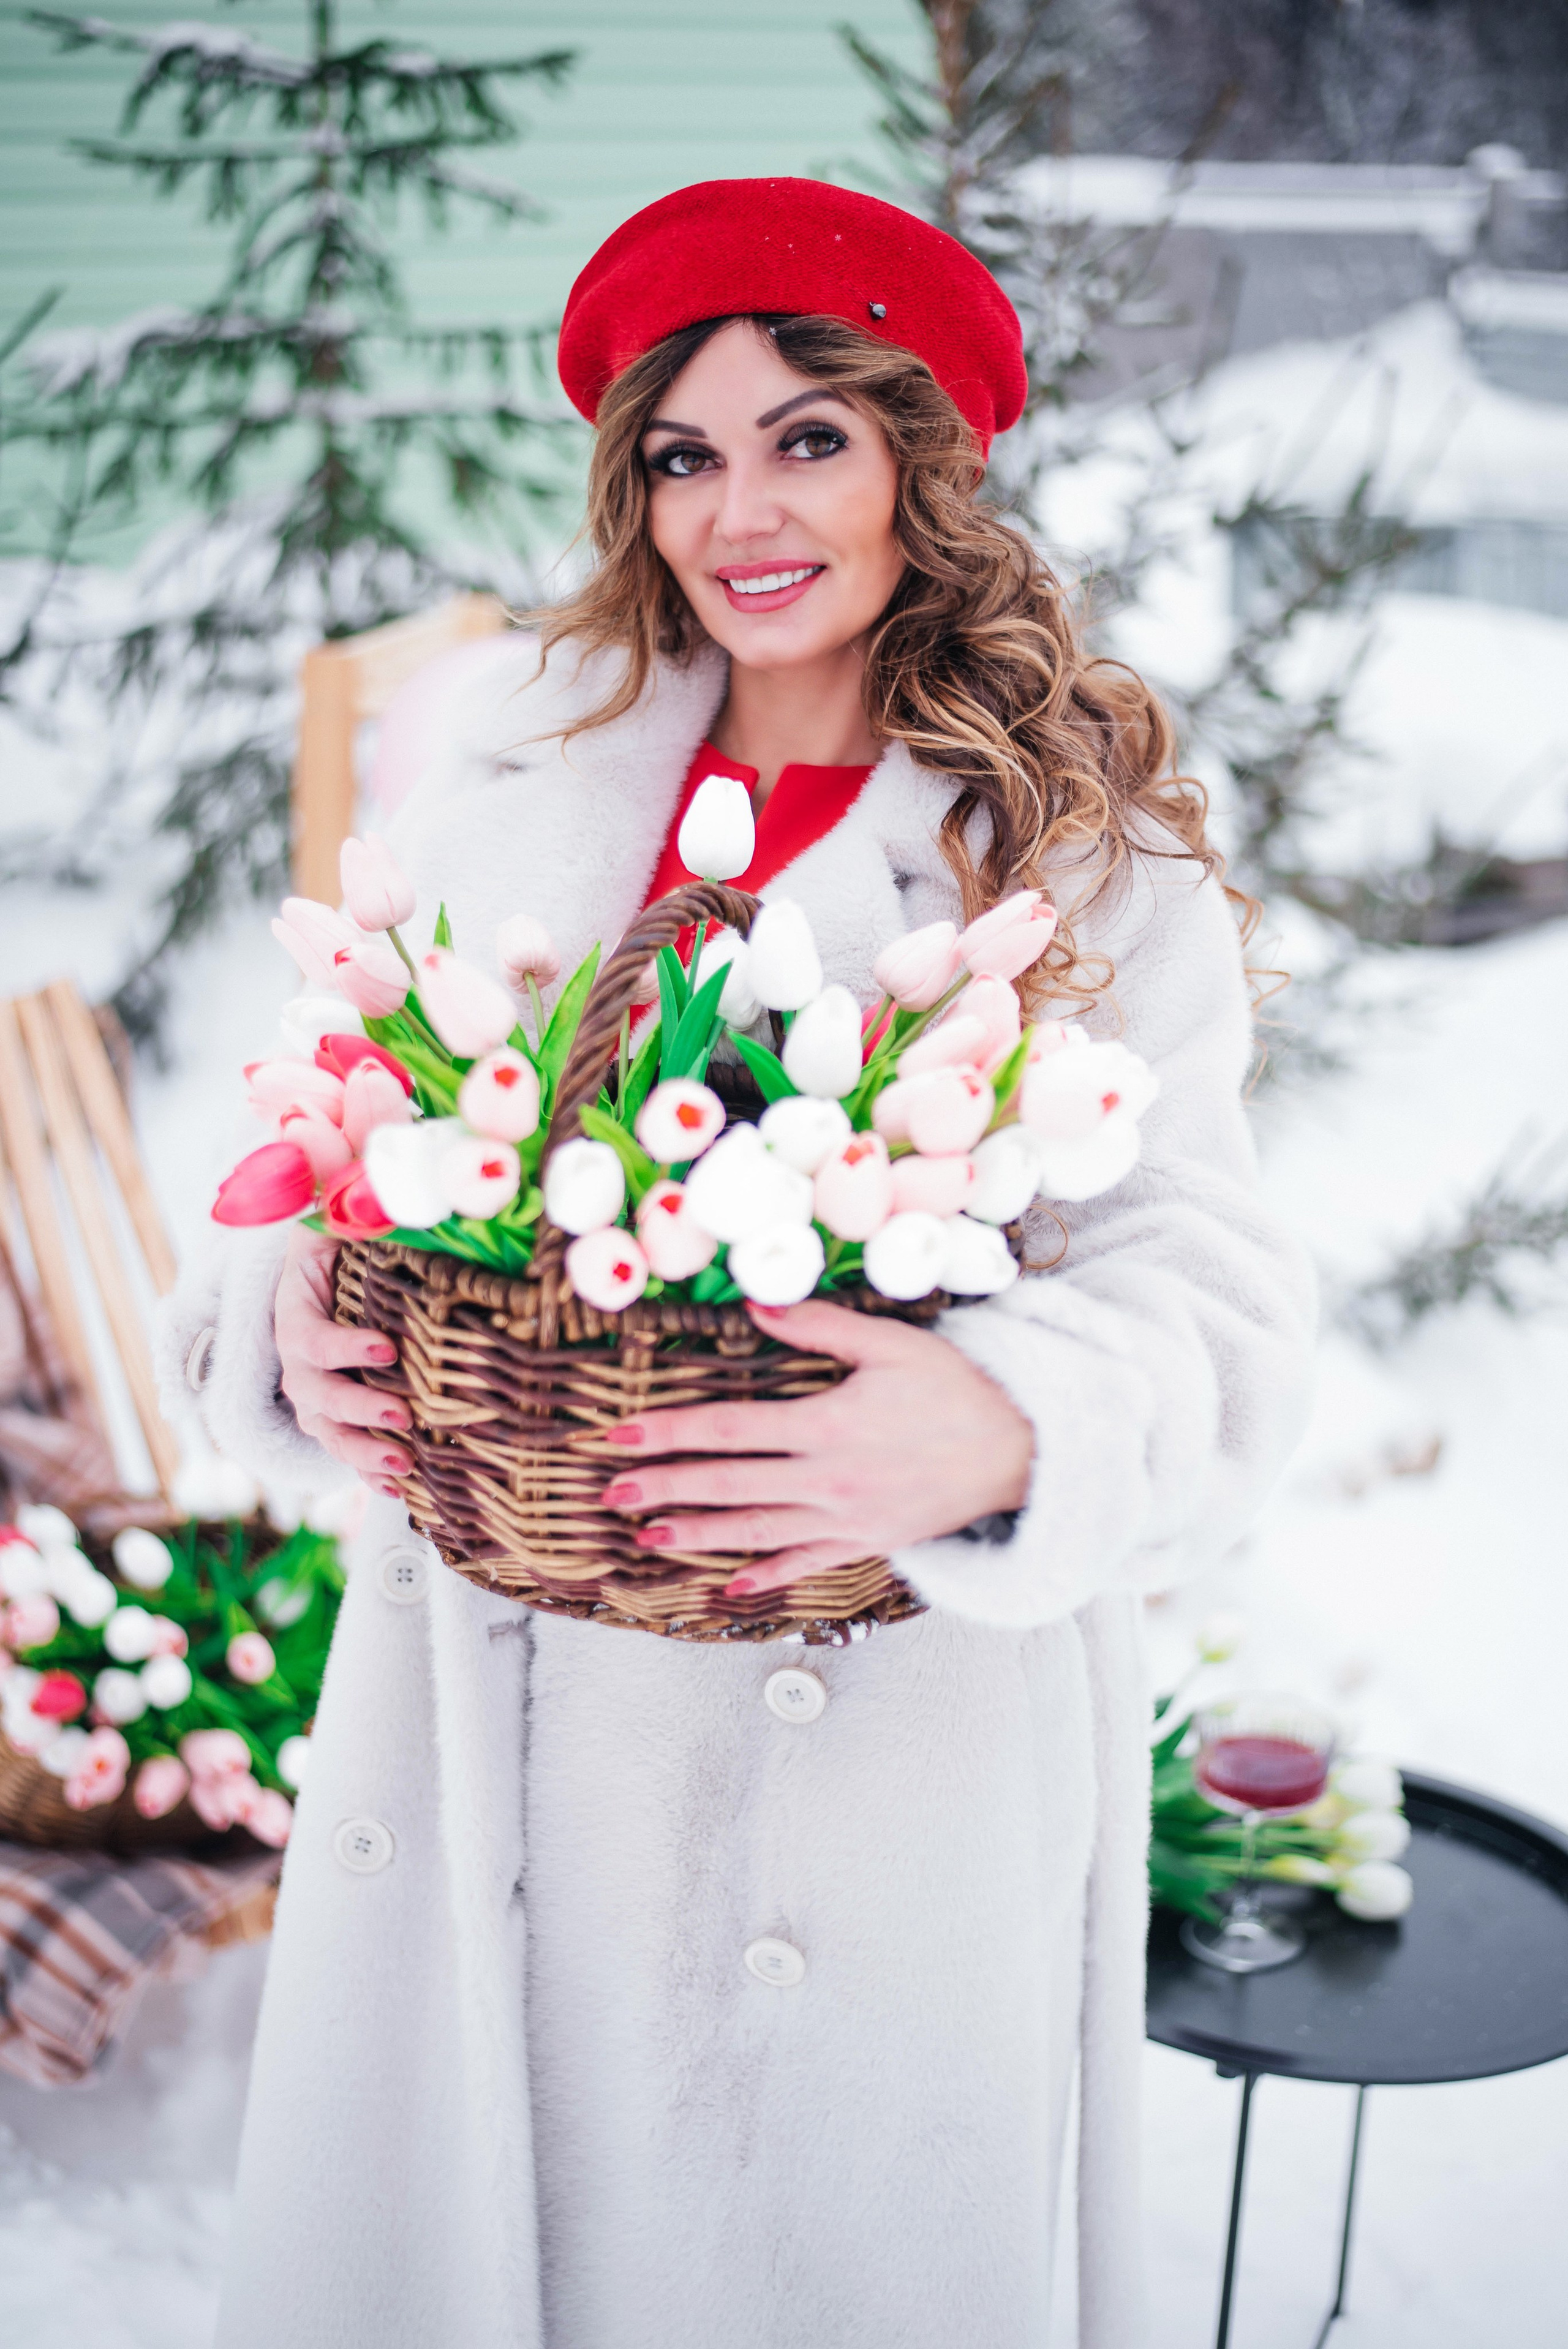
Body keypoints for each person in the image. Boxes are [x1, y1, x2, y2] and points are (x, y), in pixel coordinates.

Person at [162, 178, 1314, 2349]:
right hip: (494, 1715)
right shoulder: (520, 769)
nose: (741, 511)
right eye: (684, 452)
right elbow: (337, 1127)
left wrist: (1010, 1419)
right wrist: (287, 1298)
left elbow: (1220, 1281)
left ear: (920, 458)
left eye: (810, 435)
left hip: (873, 1773)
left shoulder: (1070, 838)